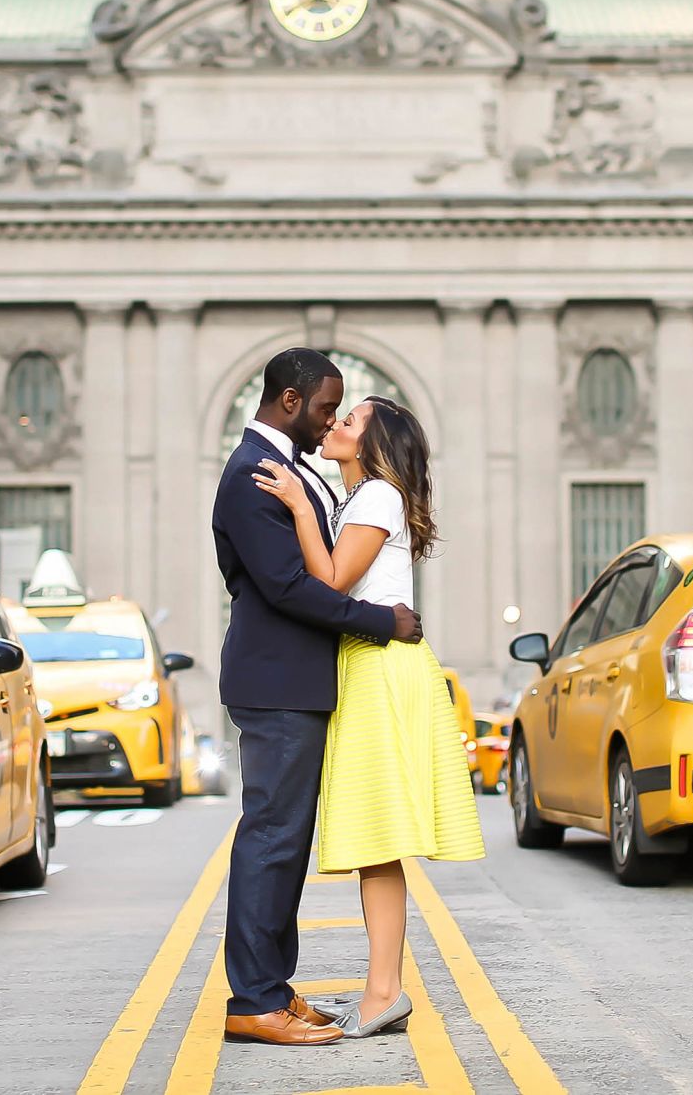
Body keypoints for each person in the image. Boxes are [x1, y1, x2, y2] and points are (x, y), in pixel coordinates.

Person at [255, 394, 484, 1038]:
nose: (334, 424)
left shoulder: (377, 496)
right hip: (371, 665)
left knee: (380, 842)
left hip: (381, 667)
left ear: (374, 445)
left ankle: (384, 991)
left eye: (349, 421)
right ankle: (384, 989)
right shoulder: (363, 499)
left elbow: (328, 581)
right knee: (376, 845)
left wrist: (298, 504)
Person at [213, 349, 423, 1047]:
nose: (334, 419)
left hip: (301, 683)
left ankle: (272, 988)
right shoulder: (251, 475)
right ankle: (252, 1001)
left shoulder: (291, 472)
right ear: (294, 401)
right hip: (277, 683)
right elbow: (292, 588)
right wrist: (383, 620)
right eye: (330, 408)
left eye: (345, 413)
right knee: (271, 841)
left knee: (284, 844)